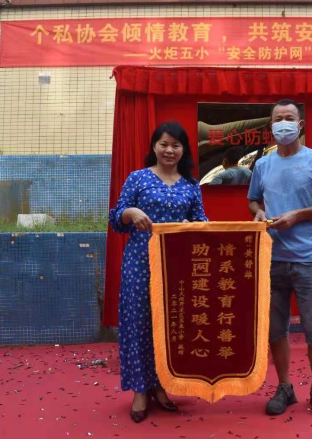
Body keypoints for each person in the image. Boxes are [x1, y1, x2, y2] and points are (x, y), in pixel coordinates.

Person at [247, 99, 312, 419]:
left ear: (299, 125)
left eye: (289, 118)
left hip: (309, 259)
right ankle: (285, 386)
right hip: (272, 258)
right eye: (278, 119)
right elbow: (253, 200)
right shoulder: (263, 165)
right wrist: (259, 212)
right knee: (276, 328)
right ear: (270, 125)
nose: (283, 124)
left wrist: (298, 215)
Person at [109, 122, 209, 424]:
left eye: (176, 145)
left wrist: (194, 227)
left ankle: (161, 384)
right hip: (139, 263)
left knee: (169, 325)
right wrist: (131, 213)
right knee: (138, 324)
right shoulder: (138, 178)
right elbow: (117, 217)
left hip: (176, 266)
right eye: (164, 144)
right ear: (154, 146)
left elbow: (202, 222)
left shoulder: (191, 185)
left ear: (184, 150)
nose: (169, 150)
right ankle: (140, 389)